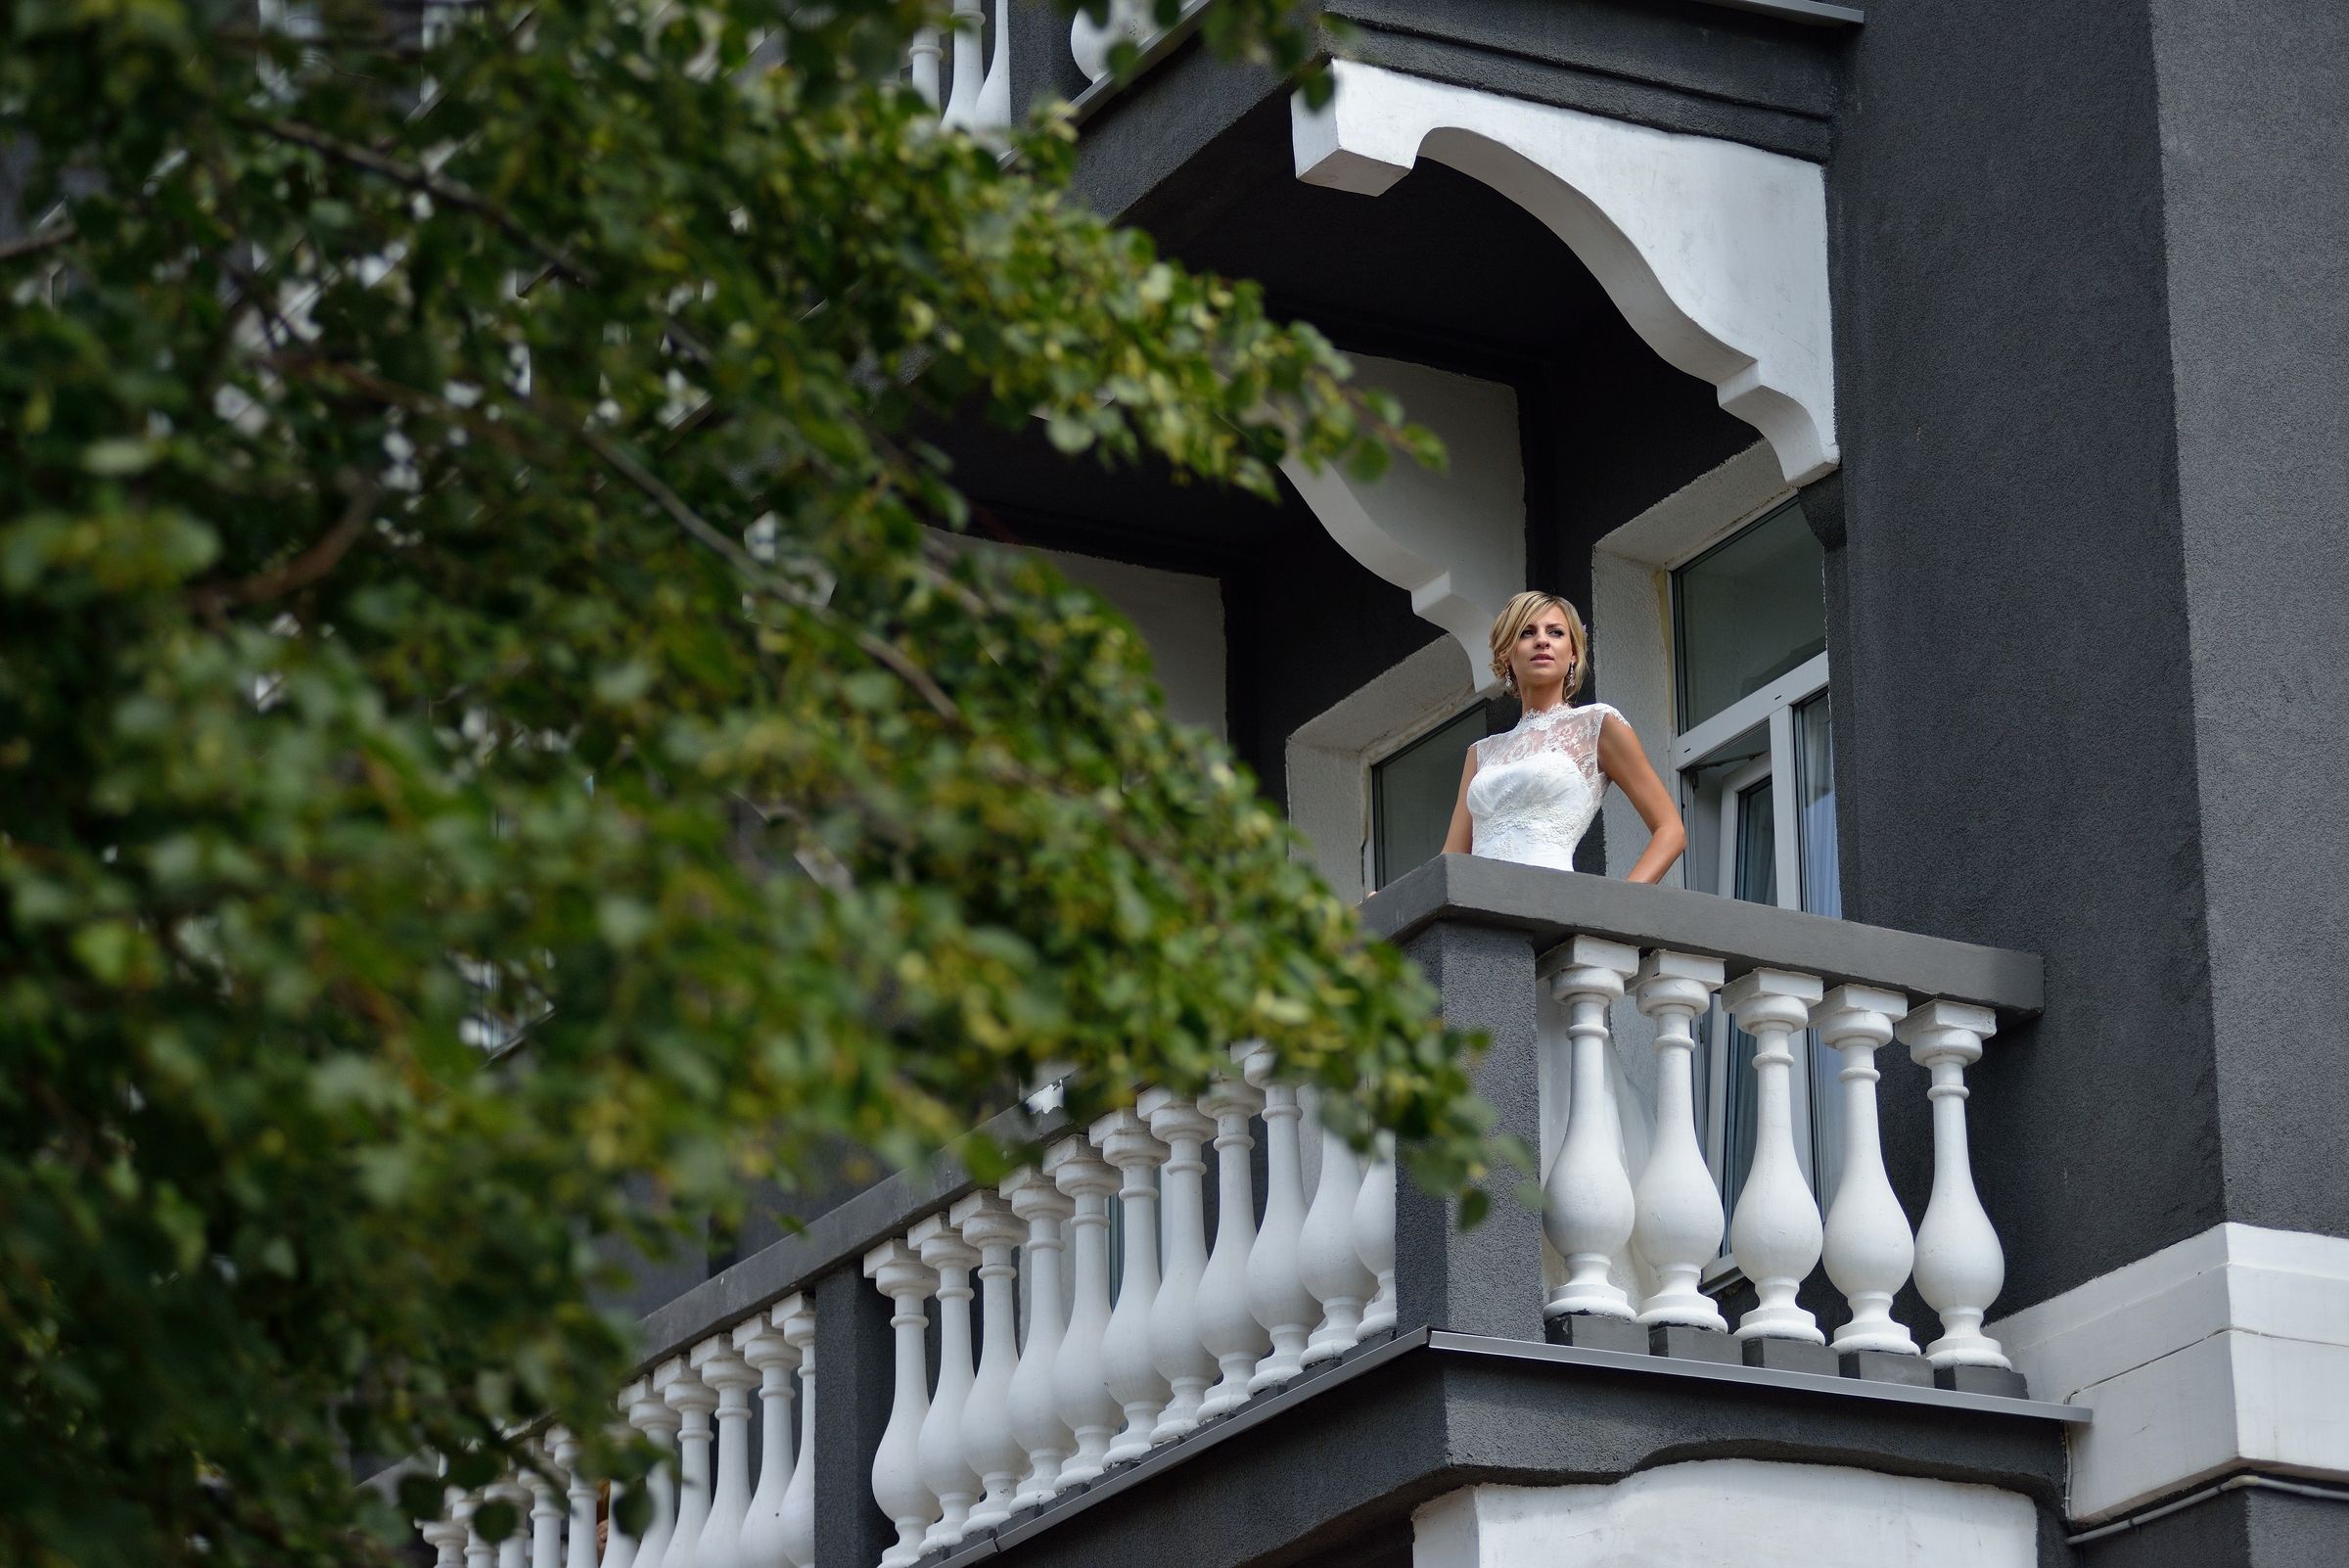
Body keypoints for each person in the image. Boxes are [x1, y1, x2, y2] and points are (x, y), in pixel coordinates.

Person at [1441, 591, 1685, 883]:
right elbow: (1451, 858)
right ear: (1506, 653)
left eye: (1555, 632)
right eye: (1527, 632)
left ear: (1573, 653)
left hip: (1549, 895)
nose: (1542, 640)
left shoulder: (1596, 724)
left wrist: (1617, 903)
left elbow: (1671, 830)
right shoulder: (1481, 753)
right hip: (1478, 902)